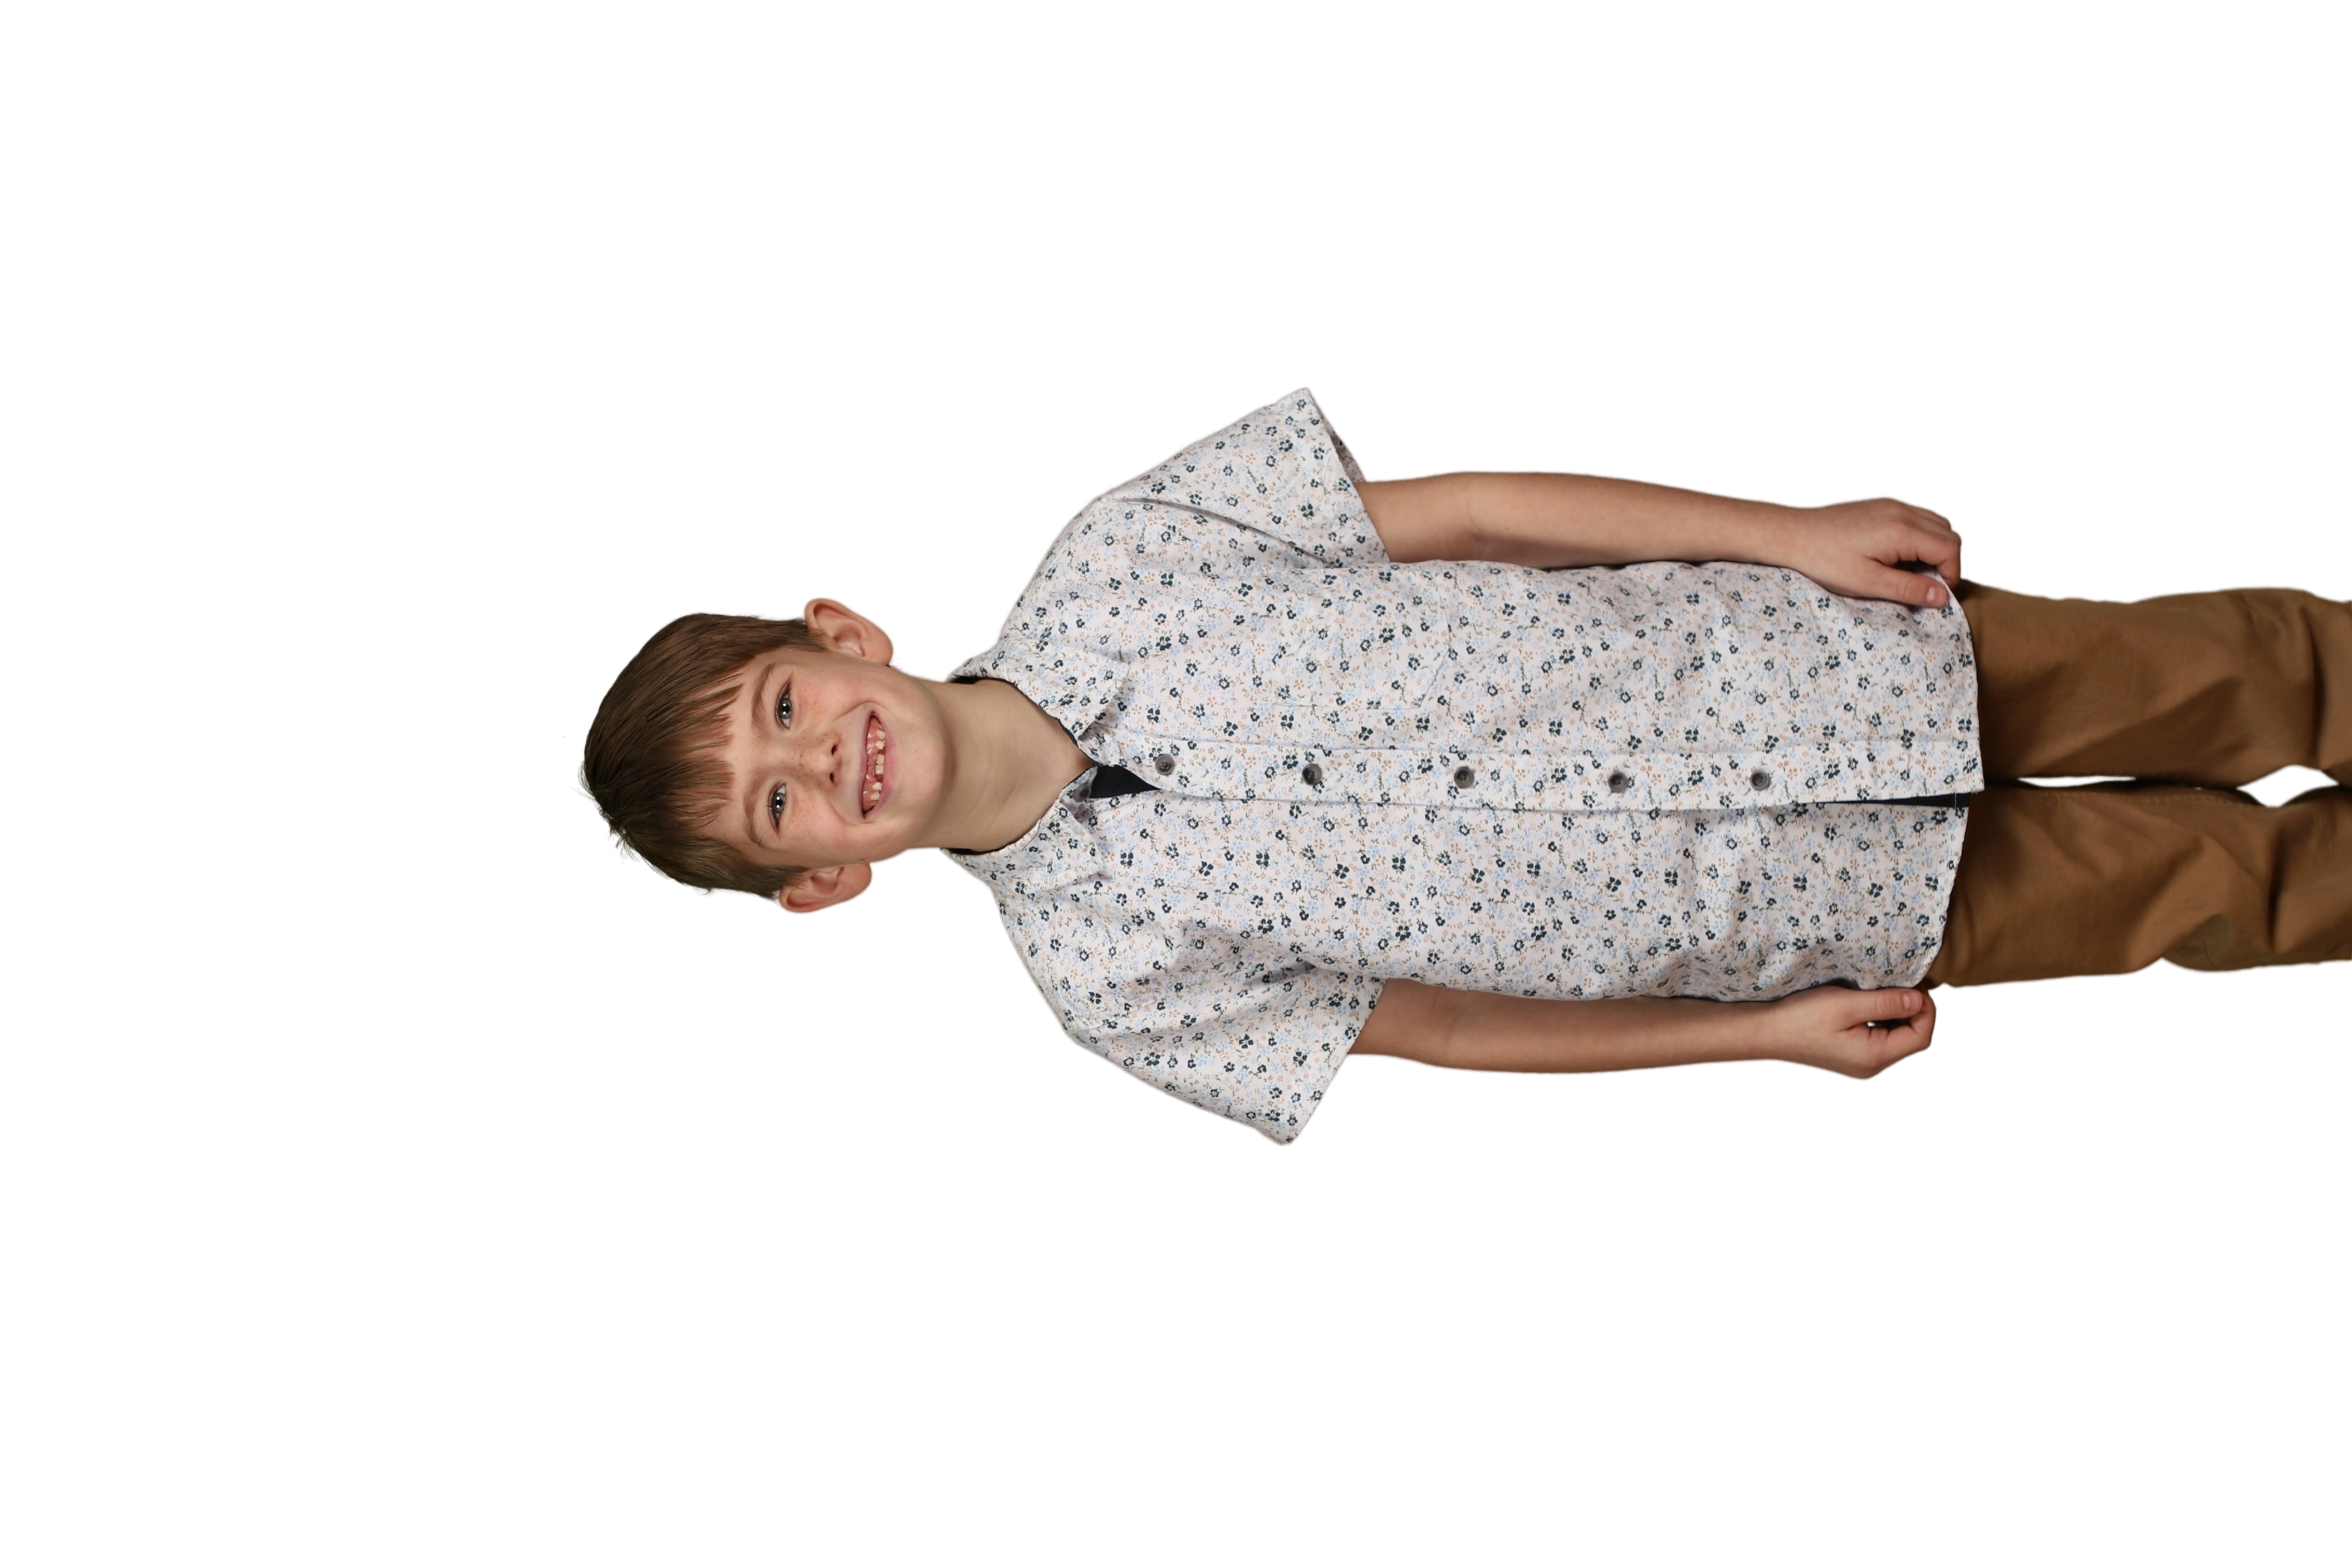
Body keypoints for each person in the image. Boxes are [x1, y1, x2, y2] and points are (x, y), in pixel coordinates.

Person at [569, 387, 2352, 1147]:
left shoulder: (1123, 551)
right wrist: (1759, 1037)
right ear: (822, 882)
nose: (821, 759)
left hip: (1830, 661)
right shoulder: (1109, 988)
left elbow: (1477, 511)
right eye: (779, 803)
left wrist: (1786, 530)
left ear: (841, 631)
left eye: (783, 706)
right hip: (1838, 915)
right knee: (2241, 901)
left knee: (2253, 676)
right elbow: (1449, 1033)